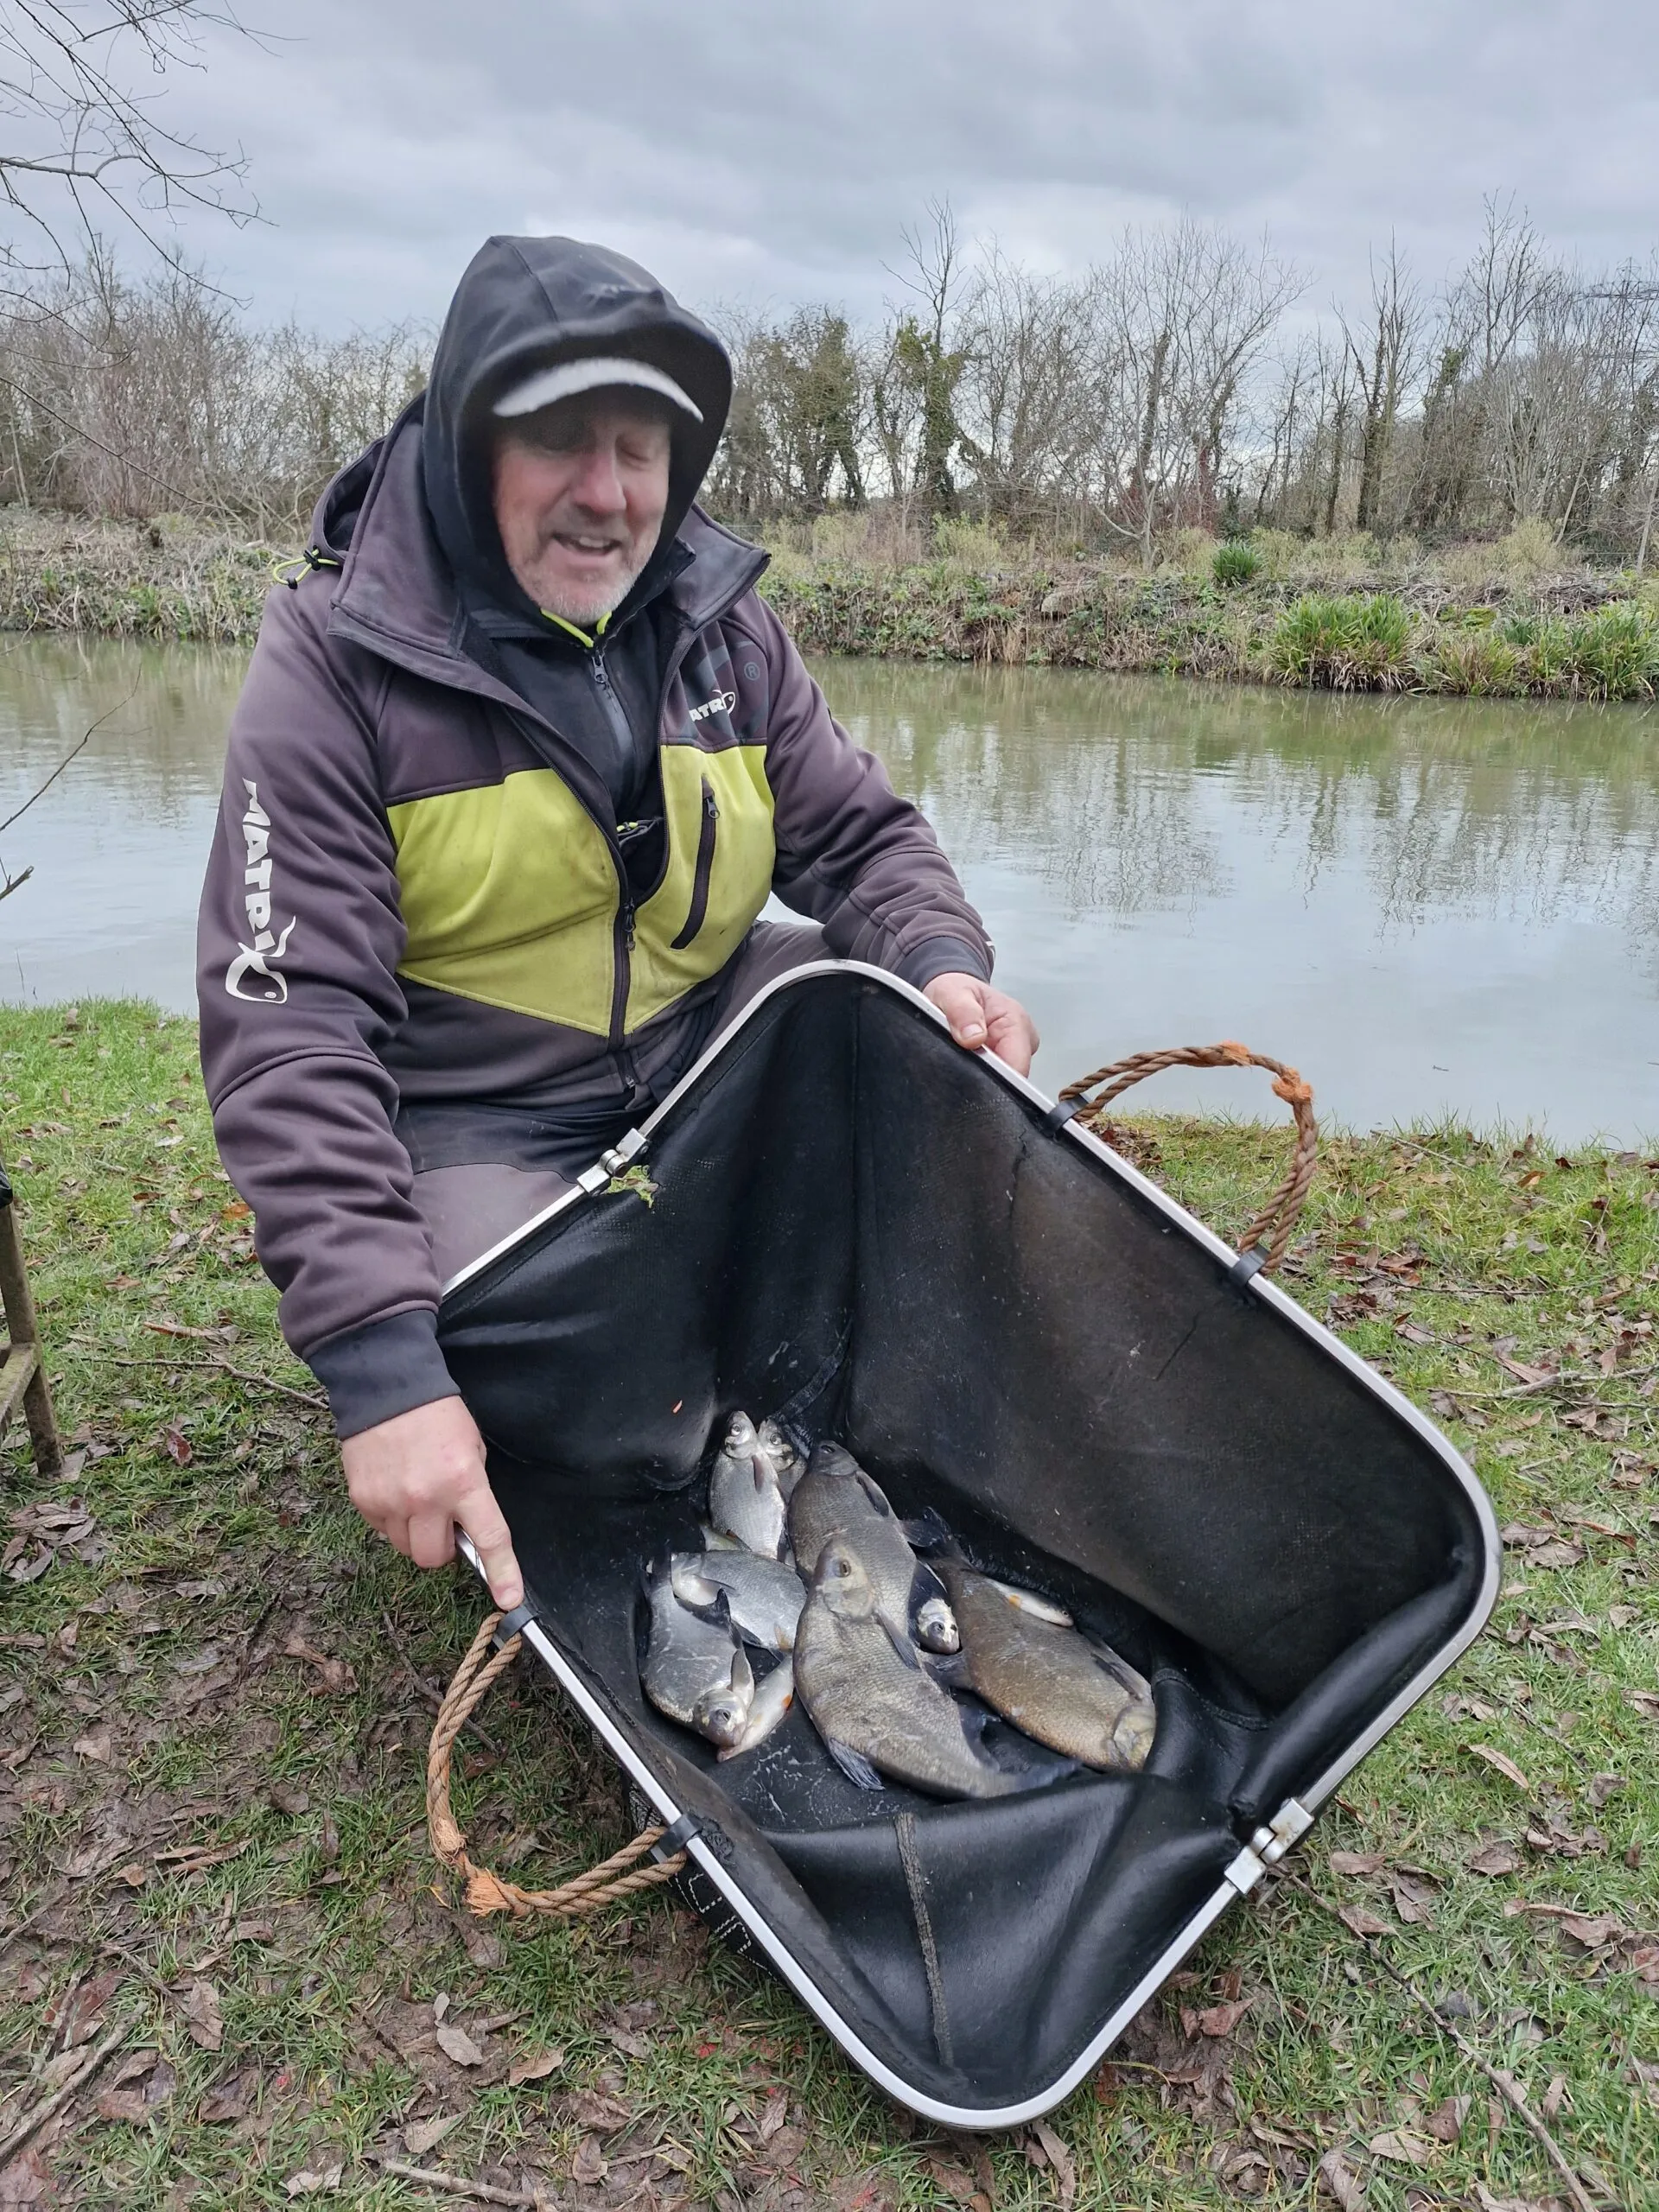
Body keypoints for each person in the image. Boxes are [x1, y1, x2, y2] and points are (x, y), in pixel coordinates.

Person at [198, 234, 1037, 1614]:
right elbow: (289, 1035)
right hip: (477, 1112)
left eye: (639, 448)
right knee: (619, 1416)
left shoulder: (728, 627)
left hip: (699, 1045)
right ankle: (589, 1382)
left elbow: (862, 839)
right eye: (558, 441)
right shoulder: (330, 664)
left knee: (888, 1013)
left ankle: (773, 1338)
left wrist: (943, 968)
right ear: (468, 446)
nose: (607, 494)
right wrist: (380, 1370)